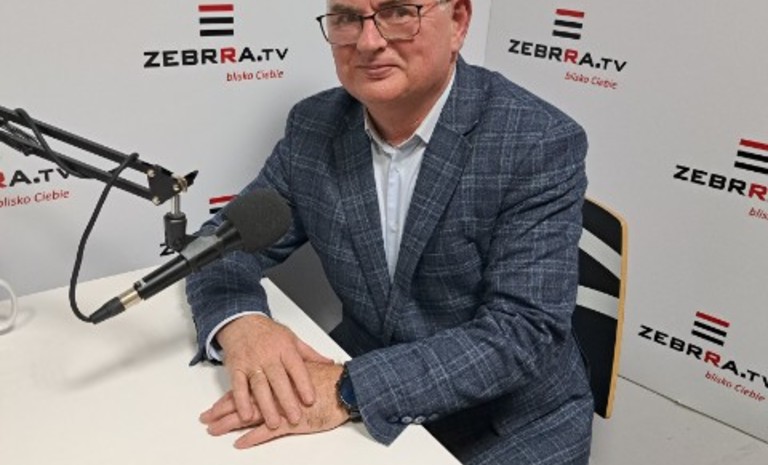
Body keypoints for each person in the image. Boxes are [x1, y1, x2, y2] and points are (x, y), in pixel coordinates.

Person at [185, 1, 593, 463]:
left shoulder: (537, 140)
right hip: (362, 401)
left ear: (458, 22)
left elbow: (523, 330)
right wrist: (242, 324)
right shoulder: (314, 125)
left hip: (504, 425)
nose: (368, 42)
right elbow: (219, 245)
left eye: (398, 12)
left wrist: (348, 390)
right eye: (347, 18)